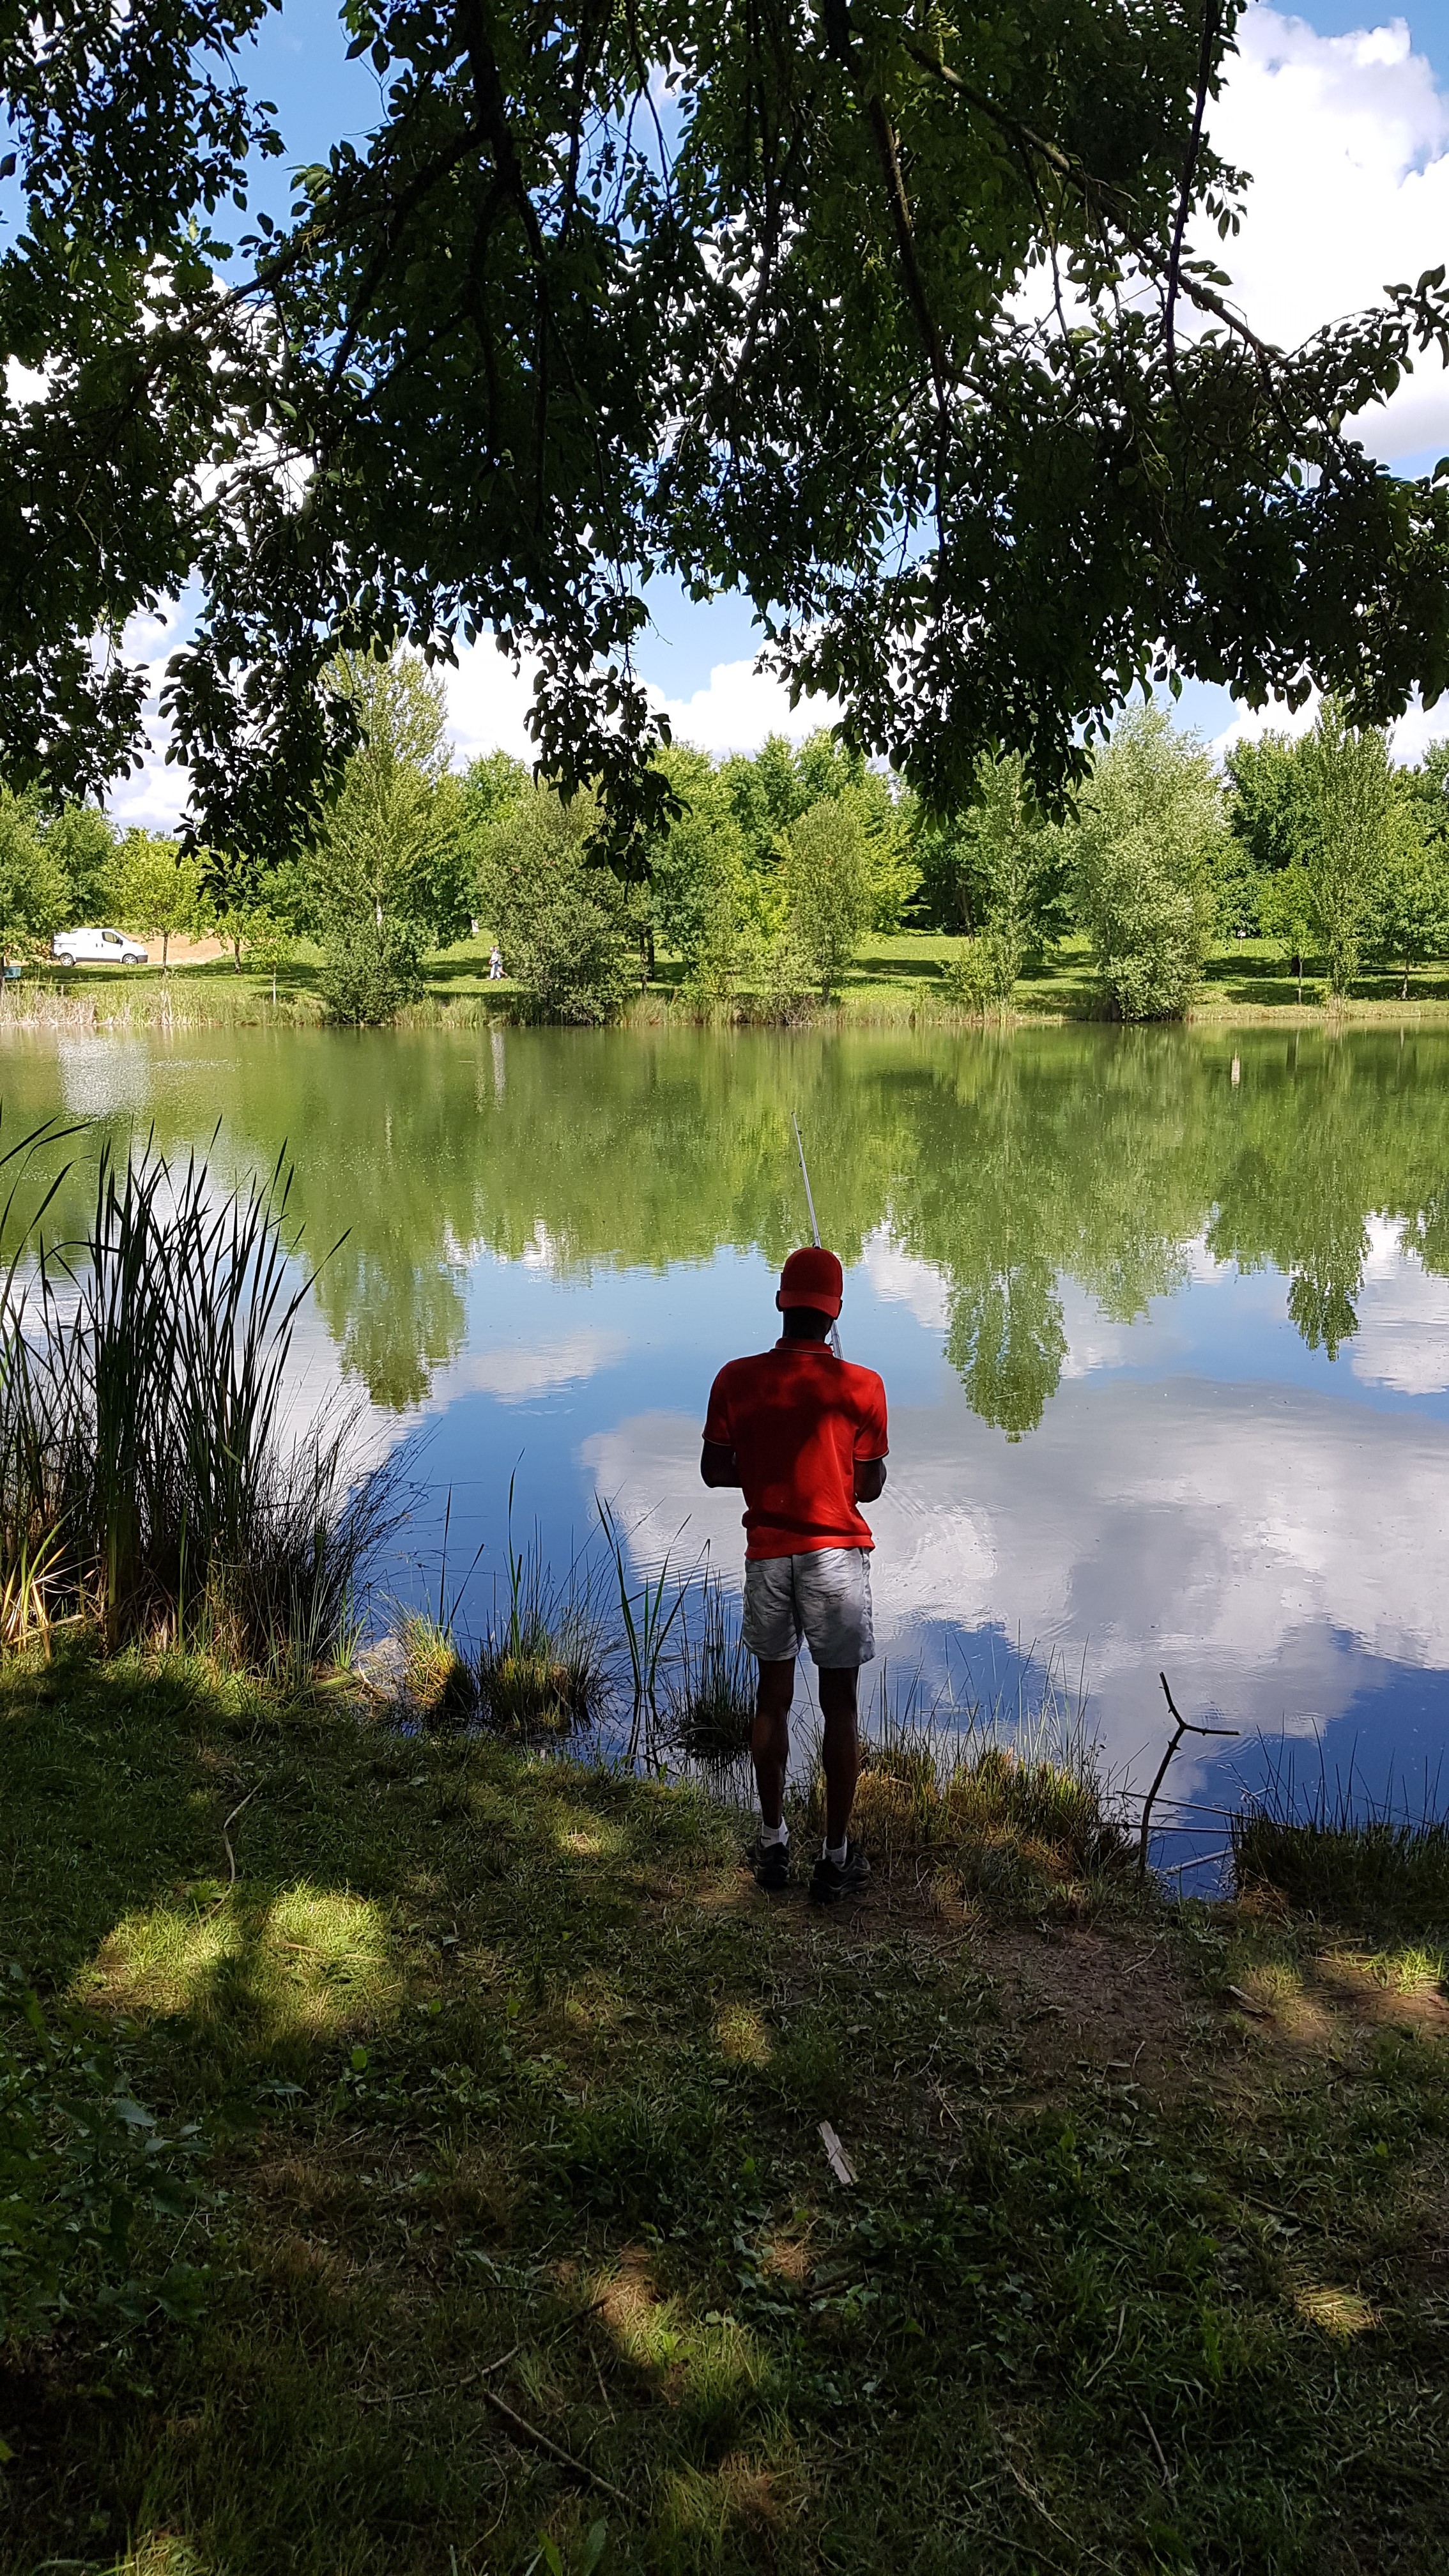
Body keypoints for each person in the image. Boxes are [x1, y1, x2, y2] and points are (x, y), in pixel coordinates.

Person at [701, 1245, 887, 1904]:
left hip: (770, 1556)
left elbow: (715, 1470)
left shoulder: (736, 1379)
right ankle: (835, 1859)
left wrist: (768, 1467)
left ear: (782, 1303)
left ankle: (774, 1842)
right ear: (835, 1312)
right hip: (835, 1559)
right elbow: (869, 1486)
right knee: (841, 1706)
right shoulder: (863, 1386)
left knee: (771, 1700)